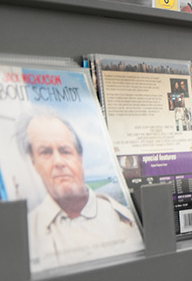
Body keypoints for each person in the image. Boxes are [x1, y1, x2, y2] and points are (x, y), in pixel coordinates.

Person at [20, 111, 142, 267]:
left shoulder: (125, 218)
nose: (58, 162)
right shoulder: (27, 232)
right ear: (34, 163)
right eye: (46, 152)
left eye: (65, 151)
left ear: (80, 158)